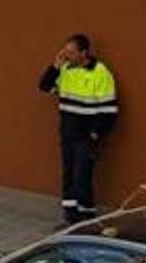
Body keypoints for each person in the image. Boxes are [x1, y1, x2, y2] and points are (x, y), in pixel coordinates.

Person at [39, 34, 118, 226]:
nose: (67, 55)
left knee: (81, 177)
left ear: (84, 53)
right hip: (68, 134)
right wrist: (54, 68)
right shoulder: (66, 69)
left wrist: (95, 134)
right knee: (69, 175)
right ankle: (70, 217)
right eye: (65, 51)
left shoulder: (100, 73)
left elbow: (110, 110)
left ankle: (86, 218)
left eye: (71, 52)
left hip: (86, 136)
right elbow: (44, 86)